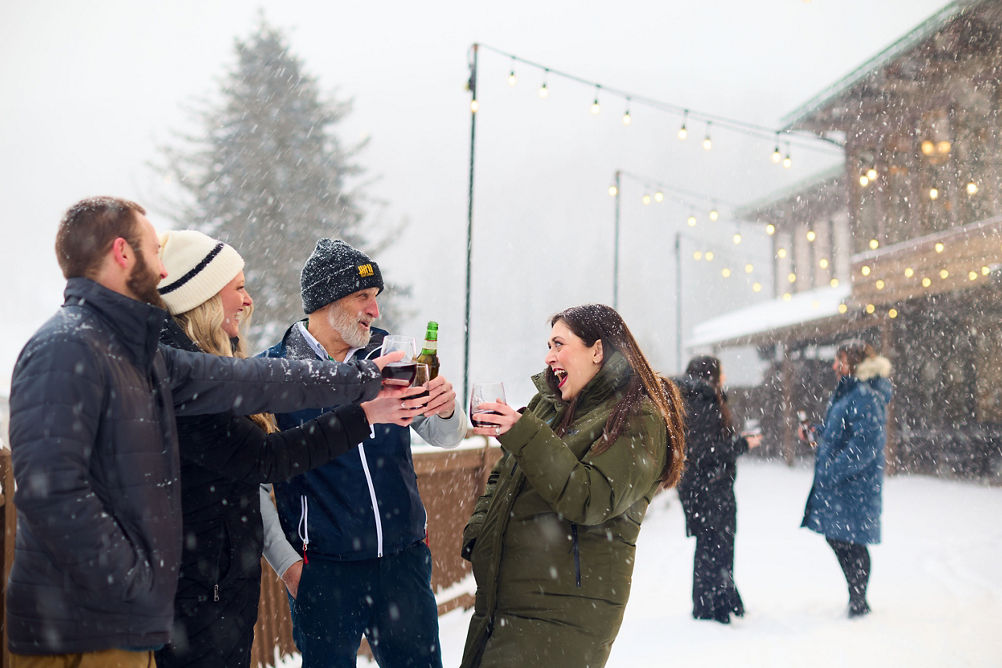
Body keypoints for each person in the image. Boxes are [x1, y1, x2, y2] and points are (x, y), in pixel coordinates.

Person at [5, 198, 395, 667]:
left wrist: (364, 380)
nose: (163, 268)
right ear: (122, 253)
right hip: (82, 631)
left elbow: (251, 380)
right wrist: (139, 586)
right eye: (154, 250)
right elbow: (53, 496)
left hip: (126, 628)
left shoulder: (139, 351)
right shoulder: (67, 347)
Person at [152, 231, 411, 668]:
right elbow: (266, 458)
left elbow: (275, 387)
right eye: (237, 288)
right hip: (196, 591)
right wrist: (364, 412)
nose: (248, 300)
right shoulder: (182, 374)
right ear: (204, 297)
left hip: (217, 585)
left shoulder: (211, 364)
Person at [259, 238, 466, 668]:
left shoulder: (393, 357)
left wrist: (446, 406)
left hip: (402, 563)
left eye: (376, 298)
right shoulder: (274, 373)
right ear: (326, 301)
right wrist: (289, 567)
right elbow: (254, 483)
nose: (376, 311)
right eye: (363, 297)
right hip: (323, 573)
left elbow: (445, 436)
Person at [459, 303, 686, 668]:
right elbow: (505, 473)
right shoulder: (549, 405)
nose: (549, 357)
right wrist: (480, 533)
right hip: (504, 606)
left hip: (562, 615)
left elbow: (590, 497)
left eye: (559, 344)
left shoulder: (638, 417)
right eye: (548, 346)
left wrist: (523, 431)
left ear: (597, 350)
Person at [800, 339, 892, 618]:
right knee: (842, 538)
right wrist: (817, 432)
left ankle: (859, 601)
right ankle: (857, 598)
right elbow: (839, 430)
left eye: (838, 360)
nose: (833, 366)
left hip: (855, 485)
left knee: (850, 541)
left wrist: (833, 469)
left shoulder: (864, 395)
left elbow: (865, 443)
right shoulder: (849, 393)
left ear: (852, 363)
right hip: (845, 485)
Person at [674, 356, 762, 625]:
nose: (724, 376)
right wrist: (743, 445)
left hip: (700, 487)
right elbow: (707, 452)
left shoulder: (692, 400)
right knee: (717, 547)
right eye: (721, 372)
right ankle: (712, 606)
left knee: (711, 546)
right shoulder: (703, 404)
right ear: (711, 375)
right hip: (710, 488)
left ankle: (719, 601)